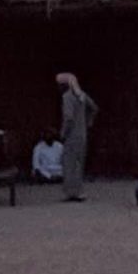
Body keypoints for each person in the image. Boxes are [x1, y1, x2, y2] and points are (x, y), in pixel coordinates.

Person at [57, 72, 97, 201]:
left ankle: (70, 192)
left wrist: (63, 133)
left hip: (71, 136)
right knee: (79, 164)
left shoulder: (67, 97)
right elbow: (94, 108)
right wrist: (88, 123)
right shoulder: (81, 96)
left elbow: (68, 118)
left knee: (69, 164)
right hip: (82, 135)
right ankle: (79, 191)